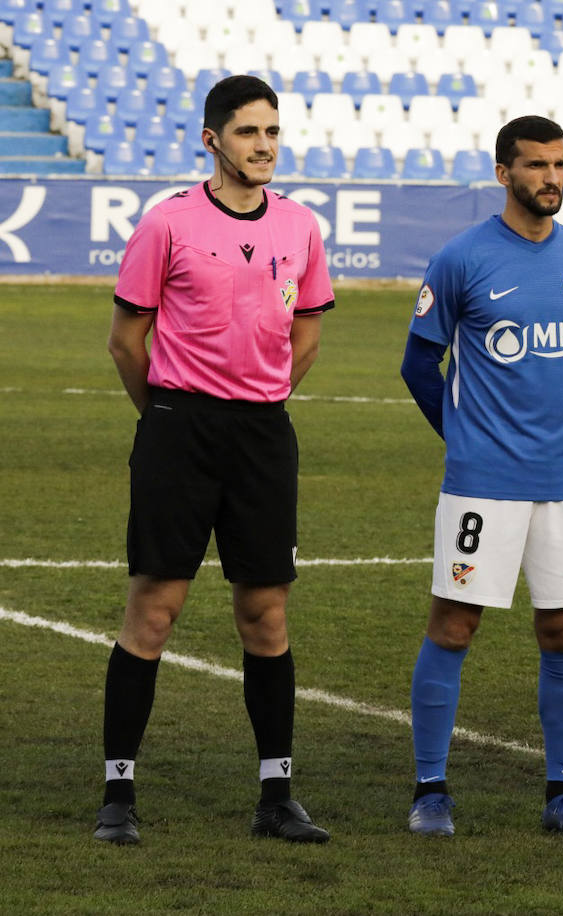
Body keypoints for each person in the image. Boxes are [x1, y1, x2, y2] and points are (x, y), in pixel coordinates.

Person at [98, 75, 334, 845]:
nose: (263, 145)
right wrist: (167, 417)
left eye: (271, 131)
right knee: (155, 609)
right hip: (178, 430)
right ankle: (119, 797)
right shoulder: (167, 224)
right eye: (247, 133)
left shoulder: (300, 225)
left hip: (262, 436)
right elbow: (126, 341)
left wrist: (261, 398)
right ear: (212, 141)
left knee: (265, 615)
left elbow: (307, 330)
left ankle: (276, 796)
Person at [400, 115, 563, 838]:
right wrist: (463, 433)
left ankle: (562, 796)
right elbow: (419, 363)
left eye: (559, 164)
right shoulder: (461, 260)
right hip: (481, 481)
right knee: (454, 626)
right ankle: (431, 790)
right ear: (503, 173)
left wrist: (557, 425)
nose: (551, 178)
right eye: (535, 166)